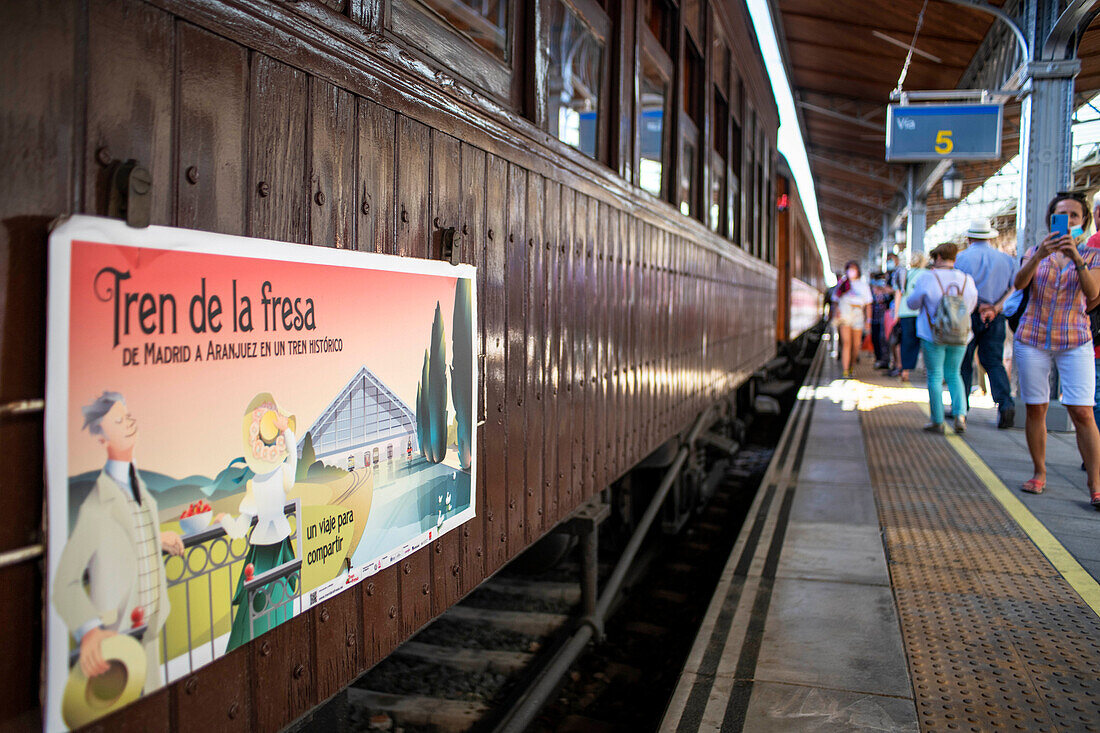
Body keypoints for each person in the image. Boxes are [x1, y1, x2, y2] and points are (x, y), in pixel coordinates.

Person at [52, 392, 184, 693]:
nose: (129, 423)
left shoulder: (138, 487)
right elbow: (65, 582)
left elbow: (127, 534)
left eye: (128, 416)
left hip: (148, 629)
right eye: (119, 419)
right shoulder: (97, 503)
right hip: (117, 637)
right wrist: (88, 631)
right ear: (101, 437)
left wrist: (154, 539)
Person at [1014, 192, 1100, 503]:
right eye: (1060, 214)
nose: (1067, 220)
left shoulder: (1093, 256)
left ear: (1083, 221)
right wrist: (1038, 256)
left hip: (1075, 339)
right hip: (1033, 337)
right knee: (1036, 407)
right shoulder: (1035, 251)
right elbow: (1019, 283)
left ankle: (1095, 484)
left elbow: (1092, 296)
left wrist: (1077, 257)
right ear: (1052, 220)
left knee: (1082, 411)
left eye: (1073, 215)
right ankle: (1039, 472)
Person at [218, 393, 300, 650]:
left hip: (262, 549)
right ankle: (281, 639)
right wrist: (287, 433)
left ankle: (260, 643)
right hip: (280, 546)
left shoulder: (255, 483)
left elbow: (241, 527)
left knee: (258, 603)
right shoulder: (284, 474)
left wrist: (224, 522)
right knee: (280, 595)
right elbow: (294, 459)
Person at [906, 243, 978, 433]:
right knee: (955, 374)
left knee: (935, 376)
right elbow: (971, 306)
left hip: (933, 334)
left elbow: (912, 303)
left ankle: (937, 421)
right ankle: (960, 415)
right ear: (954, 258)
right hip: (961, 335)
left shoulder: (928, 278)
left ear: (937, 257)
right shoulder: (966, 279)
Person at [954, 218, 1018, 428]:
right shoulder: (1007, 260)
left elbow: (959, 289)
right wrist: (995, 308)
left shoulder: (961, 258)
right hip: (996, 315)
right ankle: (1005, 404)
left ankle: (961, 408)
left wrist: (978, 306)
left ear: (970, 237)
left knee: (963, 361)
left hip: (969, 314)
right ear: (990, 237)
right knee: (993, 360)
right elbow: (1015, 288)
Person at [831, 260, 872, 378]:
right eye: (849, 269)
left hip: (858, 315)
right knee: (846, 343)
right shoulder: (842, 284)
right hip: (845, 315)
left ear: (858, 271)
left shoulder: (864, 286)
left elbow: (868, 305)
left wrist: (868, 321)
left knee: (856, 345)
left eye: (854, 269)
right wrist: (836, 311)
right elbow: (835, 300)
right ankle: (845, 370)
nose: (851, 271)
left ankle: (852, 365)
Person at [892, 252, 928, 381]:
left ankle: (905, 371)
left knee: (907, 341)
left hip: (905, 312)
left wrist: (895, 313)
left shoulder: (903, 274)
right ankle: (927, 369)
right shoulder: (926, 274)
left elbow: (898, 294)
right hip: (922, 312)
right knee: (925, 340)